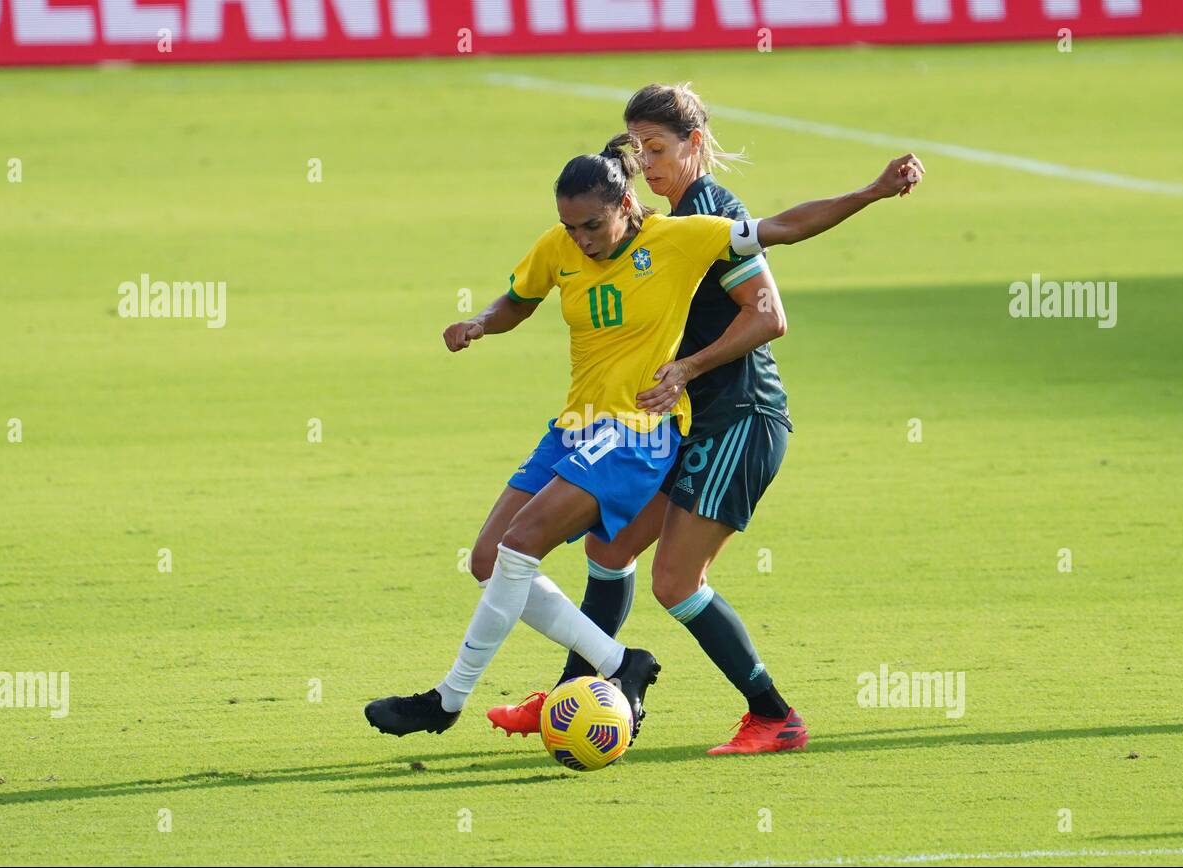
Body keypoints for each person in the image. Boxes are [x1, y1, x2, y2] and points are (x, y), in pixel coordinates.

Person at [364, 133, 926, 743]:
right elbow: (519, 301)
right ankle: (617, 664)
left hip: (636, 430)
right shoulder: (560, 245)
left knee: (522, 546)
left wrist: (871, 192)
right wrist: (480, 323)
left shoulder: (680, 239)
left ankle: (447, 701)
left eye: (591, 225)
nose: (580, 238)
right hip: (573, 428)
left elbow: (783, 227)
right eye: (569, 226)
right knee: (488, 559)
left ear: (626, 204)